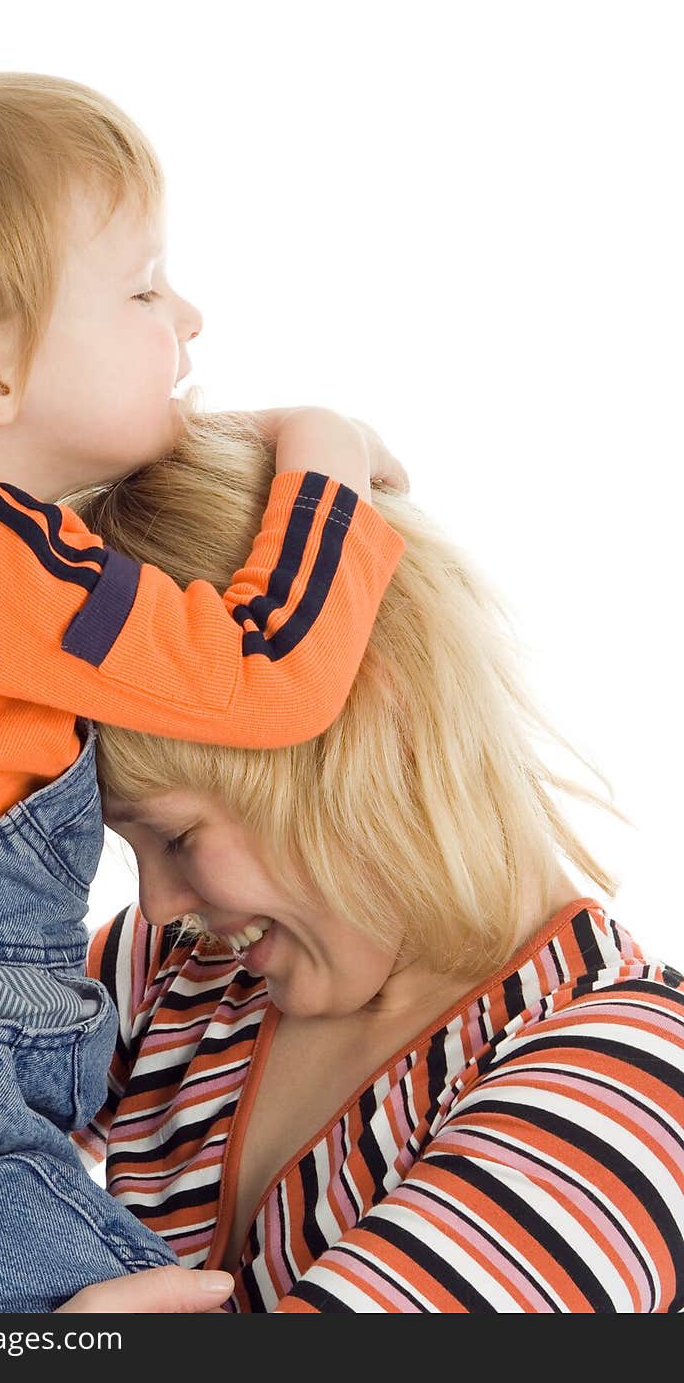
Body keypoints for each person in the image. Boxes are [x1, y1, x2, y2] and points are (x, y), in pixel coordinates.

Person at [0, 71, 407, 1312]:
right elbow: (263, 666)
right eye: (142, 288)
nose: (187, 317)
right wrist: (322, 448)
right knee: (165, 1316)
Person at [63, 411, 684, 1313]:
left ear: (364, 723)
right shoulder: (184, 974)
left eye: (180, 836)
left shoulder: (629, 1090)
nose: (155, 902)